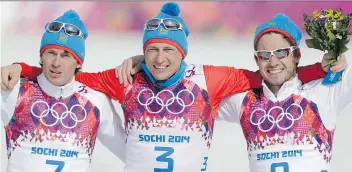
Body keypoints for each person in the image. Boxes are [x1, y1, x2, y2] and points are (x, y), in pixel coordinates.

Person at [0, 3, 344, 172]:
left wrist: (316, 68)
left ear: (182, 51)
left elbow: (269, 74)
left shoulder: (210, 79)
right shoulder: (126, 79)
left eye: (168, 49)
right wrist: (24, 67)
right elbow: (68, 76)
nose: (160, 58)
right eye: (152, 49)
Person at [217, 14, 350, 172]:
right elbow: (193, 99)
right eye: (264, 55)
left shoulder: (323, 92)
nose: (273, 63)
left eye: (281, 53)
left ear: (297, 56)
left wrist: (338, 58)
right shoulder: (244, 101)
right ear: (256, 59)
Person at [1, 10, 125, 172]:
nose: (56, 63)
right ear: (42, 57)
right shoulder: (15, 91)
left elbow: (134, 153)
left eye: (66, 55)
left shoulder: (95, 102)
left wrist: (142, 60)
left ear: (78, 62)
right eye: (51, 53)